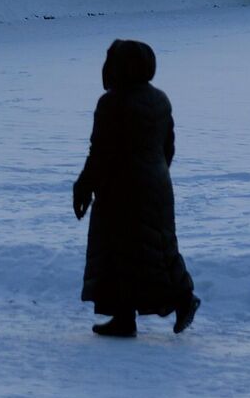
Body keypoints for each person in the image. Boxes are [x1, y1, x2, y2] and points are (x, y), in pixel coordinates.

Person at [73, 39, 199, 337]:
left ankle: (137, 313)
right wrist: (155, 175)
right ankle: (140, 312)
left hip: (122, 189)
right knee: (158, 248)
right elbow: (167, 147)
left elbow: (100, 152)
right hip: (156, 184)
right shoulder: (160, 99)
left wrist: (83, 187)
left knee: (119, 251)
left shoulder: (113, 103)